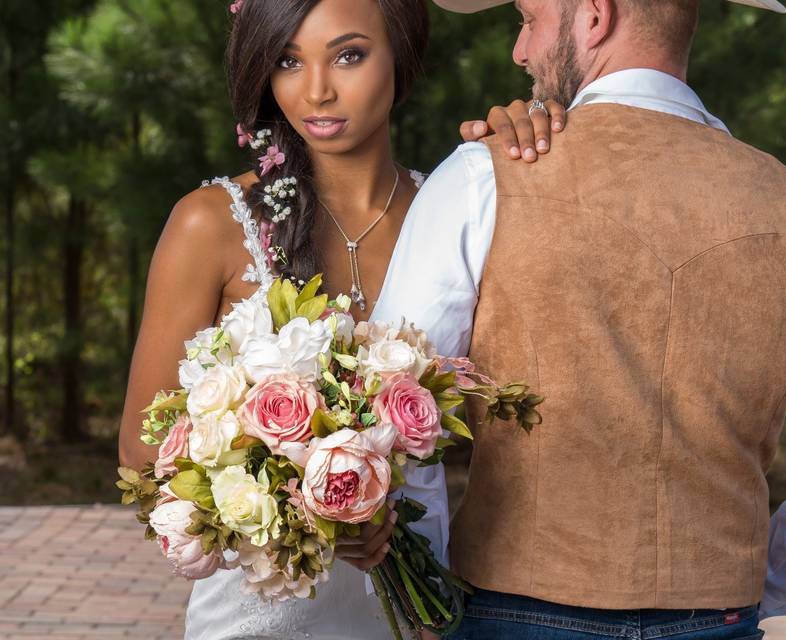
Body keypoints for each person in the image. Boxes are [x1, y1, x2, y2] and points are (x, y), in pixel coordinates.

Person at [372, 0, 786, 638]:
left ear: (595, 16)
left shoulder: (482, 178)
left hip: (508, 614)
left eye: (528, 19)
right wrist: (744, 590)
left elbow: (385, 418)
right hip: (719, 619)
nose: (519, 51)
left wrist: (432, 589)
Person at [115, 1, 560, 638]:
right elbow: (141, 449)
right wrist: (309, 508)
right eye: (288, 61)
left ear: (400, 55)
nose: (316, 90)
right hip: (261, 613)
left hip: (419, 603)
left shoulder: (461, 209)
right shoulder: (210, 223)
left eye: (348, 54)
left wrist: (530, 144)